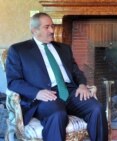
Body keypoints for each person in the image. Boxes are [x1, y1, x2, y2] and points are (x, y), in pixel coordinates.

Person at [6, 12, 108, 141]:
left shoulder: (64, 48)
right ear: (34, 30)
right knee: (57, 114)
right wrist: (37, 93)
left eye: (52, 26)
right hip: (44, 95)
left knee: (97, 108)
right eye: (47, 27)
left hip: (70, 92)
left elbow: (76, 72)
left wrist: (82, 85)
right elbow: (13, 81)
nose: (52, 30)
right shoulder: (19, 50)